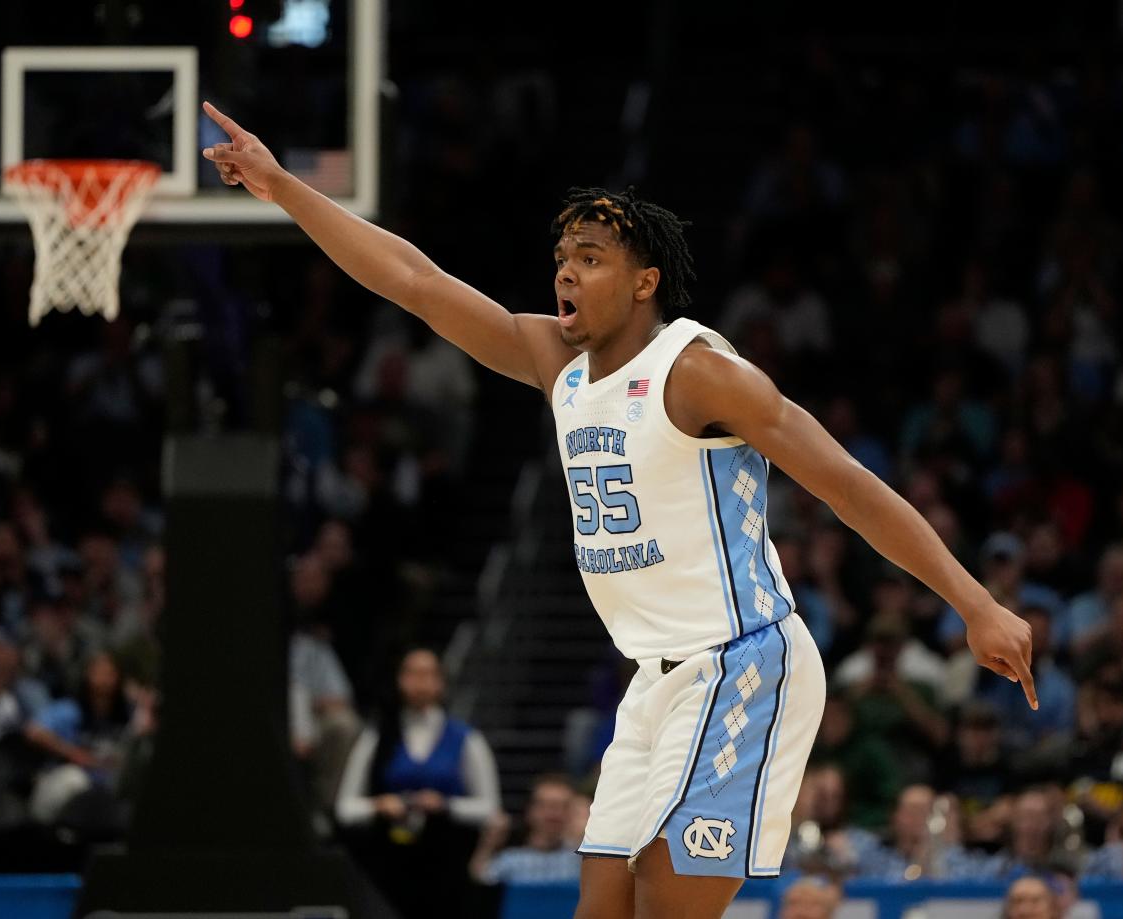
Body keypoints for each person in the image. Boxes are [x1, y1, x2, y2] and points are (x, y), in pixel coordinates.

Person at [203, 101, 1036, 919]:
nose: (566, 270)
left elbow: (849, 484)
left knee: (667, 901)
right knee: (602, 906)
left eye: (592, 256)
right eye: (563, 255)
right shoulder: (555, 359)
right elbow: (417, 283)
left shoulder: (700, 370)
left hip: (740, 661)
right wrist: (286, 190)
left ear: (645, 281)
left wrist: (975, 602)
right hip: (654, 681)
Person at [336, 648, 499, 918]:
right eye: (412, 674)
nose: (420, 683)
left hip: (447, 862)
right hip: (390, 863)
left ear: (441, 682)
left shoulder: (466, 739)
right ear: (400, 680)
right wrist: (378, 805)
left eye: (428, 674)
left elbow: (490, 809)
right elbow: (345, 808)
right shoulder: (379, 736)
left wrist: (446, 805)